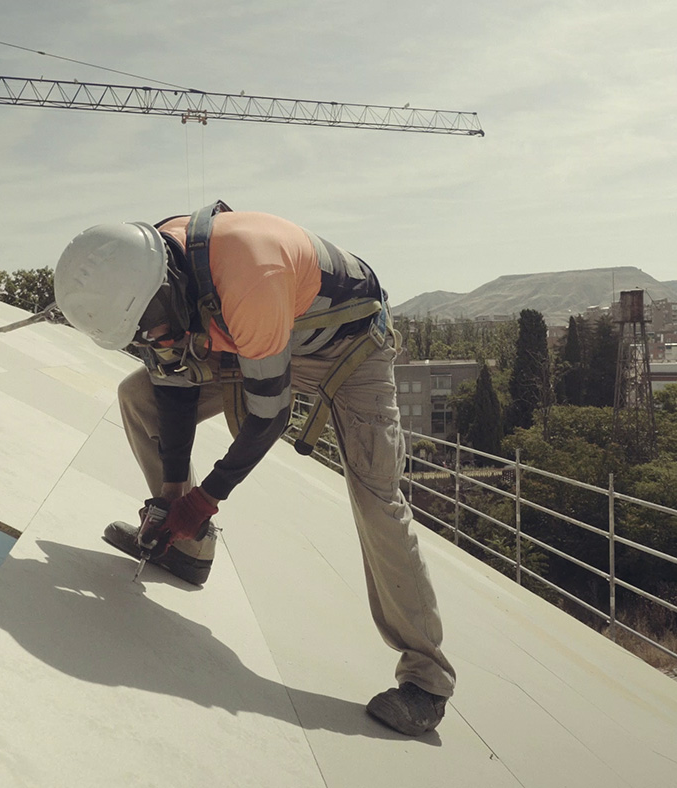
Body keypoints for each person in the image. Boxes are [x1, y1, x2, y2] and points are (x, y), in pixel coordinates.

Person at [53, 202, 456, 737]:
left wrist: (206, 497)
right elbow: (172, 387)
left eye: (154, 325)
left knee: (376, 496)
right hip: (258, 336)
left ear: (165, 286)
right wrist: (176, 494)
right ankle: (187, 546)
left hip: (348, 349)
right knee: (139, 394)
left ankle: (427, 681)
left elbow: (271, 416)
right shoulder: (146, 274)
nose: (155, 339)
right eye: (140, 333)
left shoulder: (250, 274)